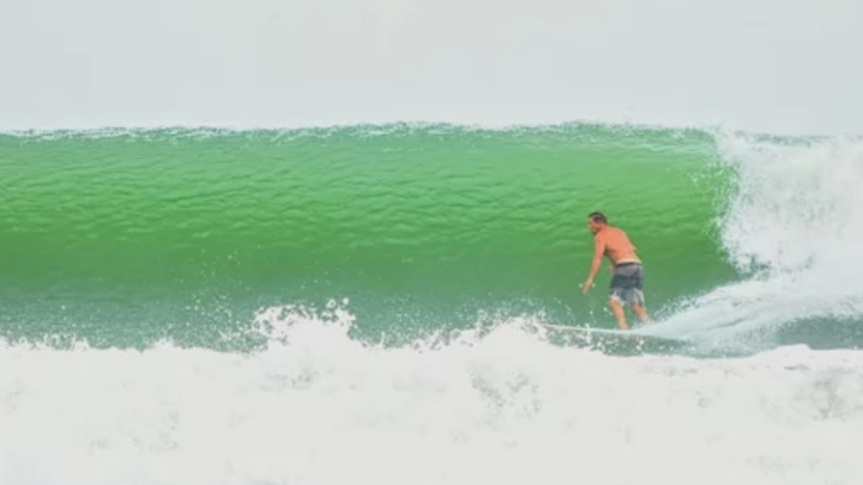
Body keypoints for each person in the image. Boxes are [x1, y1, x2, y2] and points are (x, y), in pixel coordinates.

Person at [580, 211, 649, 330]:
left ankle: (624, 330)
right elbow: (631, 248)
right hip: (637, 266)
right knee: (636, 305)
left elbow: (598, 258)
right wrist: (615, 264)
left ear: (600, 223)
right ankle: (649, 326)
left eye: (591, 223)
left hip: (625, 267)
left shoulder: (600, 236)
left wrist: (590, 279)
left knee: (614, 301)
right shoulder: (619, 231)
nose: (589, 226)